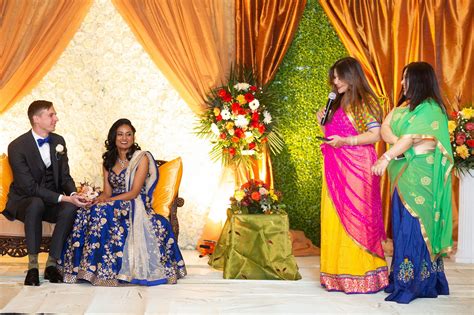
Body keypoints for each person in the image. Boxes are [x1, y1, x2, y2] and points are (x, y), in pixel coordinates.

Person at [58, 118, 186, 286]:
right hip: (114, 201)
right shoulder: (108, 160)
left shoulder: (141, 159)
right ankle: (86, 269)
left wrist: (108, 201)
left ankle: (107, 270)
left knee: (103, 211)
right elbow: (107, 192)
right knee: (87, 210)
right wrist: (95, 199)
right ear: (113, 137)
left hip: (135, 203)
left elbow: (133, 192)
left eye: (128, 134)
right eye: (120, 134)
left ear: (133, 137)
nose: (124, 138)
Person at [372, 62, 453, 304]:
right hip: (403, 175)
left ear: (418, 81)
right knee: (401, 227)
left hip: (421, 178)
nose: (401, 83)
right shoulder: (405, 108)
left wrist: (389, 154)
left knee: (415, 228)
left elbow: (406, 140)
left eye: (405, 78)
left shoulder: (430, 110)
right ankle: (402, 278)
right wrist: (403, 145)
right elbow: (385, 127)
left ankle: (416, 283)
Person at [316, 57, 388, 293]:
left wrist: (344, 141)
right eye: (333, 77)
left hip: (358, 168)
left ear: (351, 76)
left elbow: (375, 135)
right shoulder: (335, 103)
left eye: (338, 76)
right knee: (335, 217)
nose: (334, 82)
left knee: (358, 217)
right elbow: (333, 133)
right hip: (335, 167)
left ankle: (363, 275)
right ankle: (336, 274)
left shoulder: (364, 102)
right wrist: (323, 128)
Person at [3, 100, 88, 286]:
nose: (56, 118)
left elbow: (65, 176)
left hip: (52, 200)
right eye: (51, 114)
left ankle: (51, 265)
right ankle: (32, 268)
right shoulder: (17, 146)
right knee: (36, 203)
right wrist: (62, 197)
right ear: (36, 119)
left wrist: (73, 194)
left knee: (69, 208)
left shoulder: (59, 141)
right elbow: (29, 187)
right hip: (24, 201)